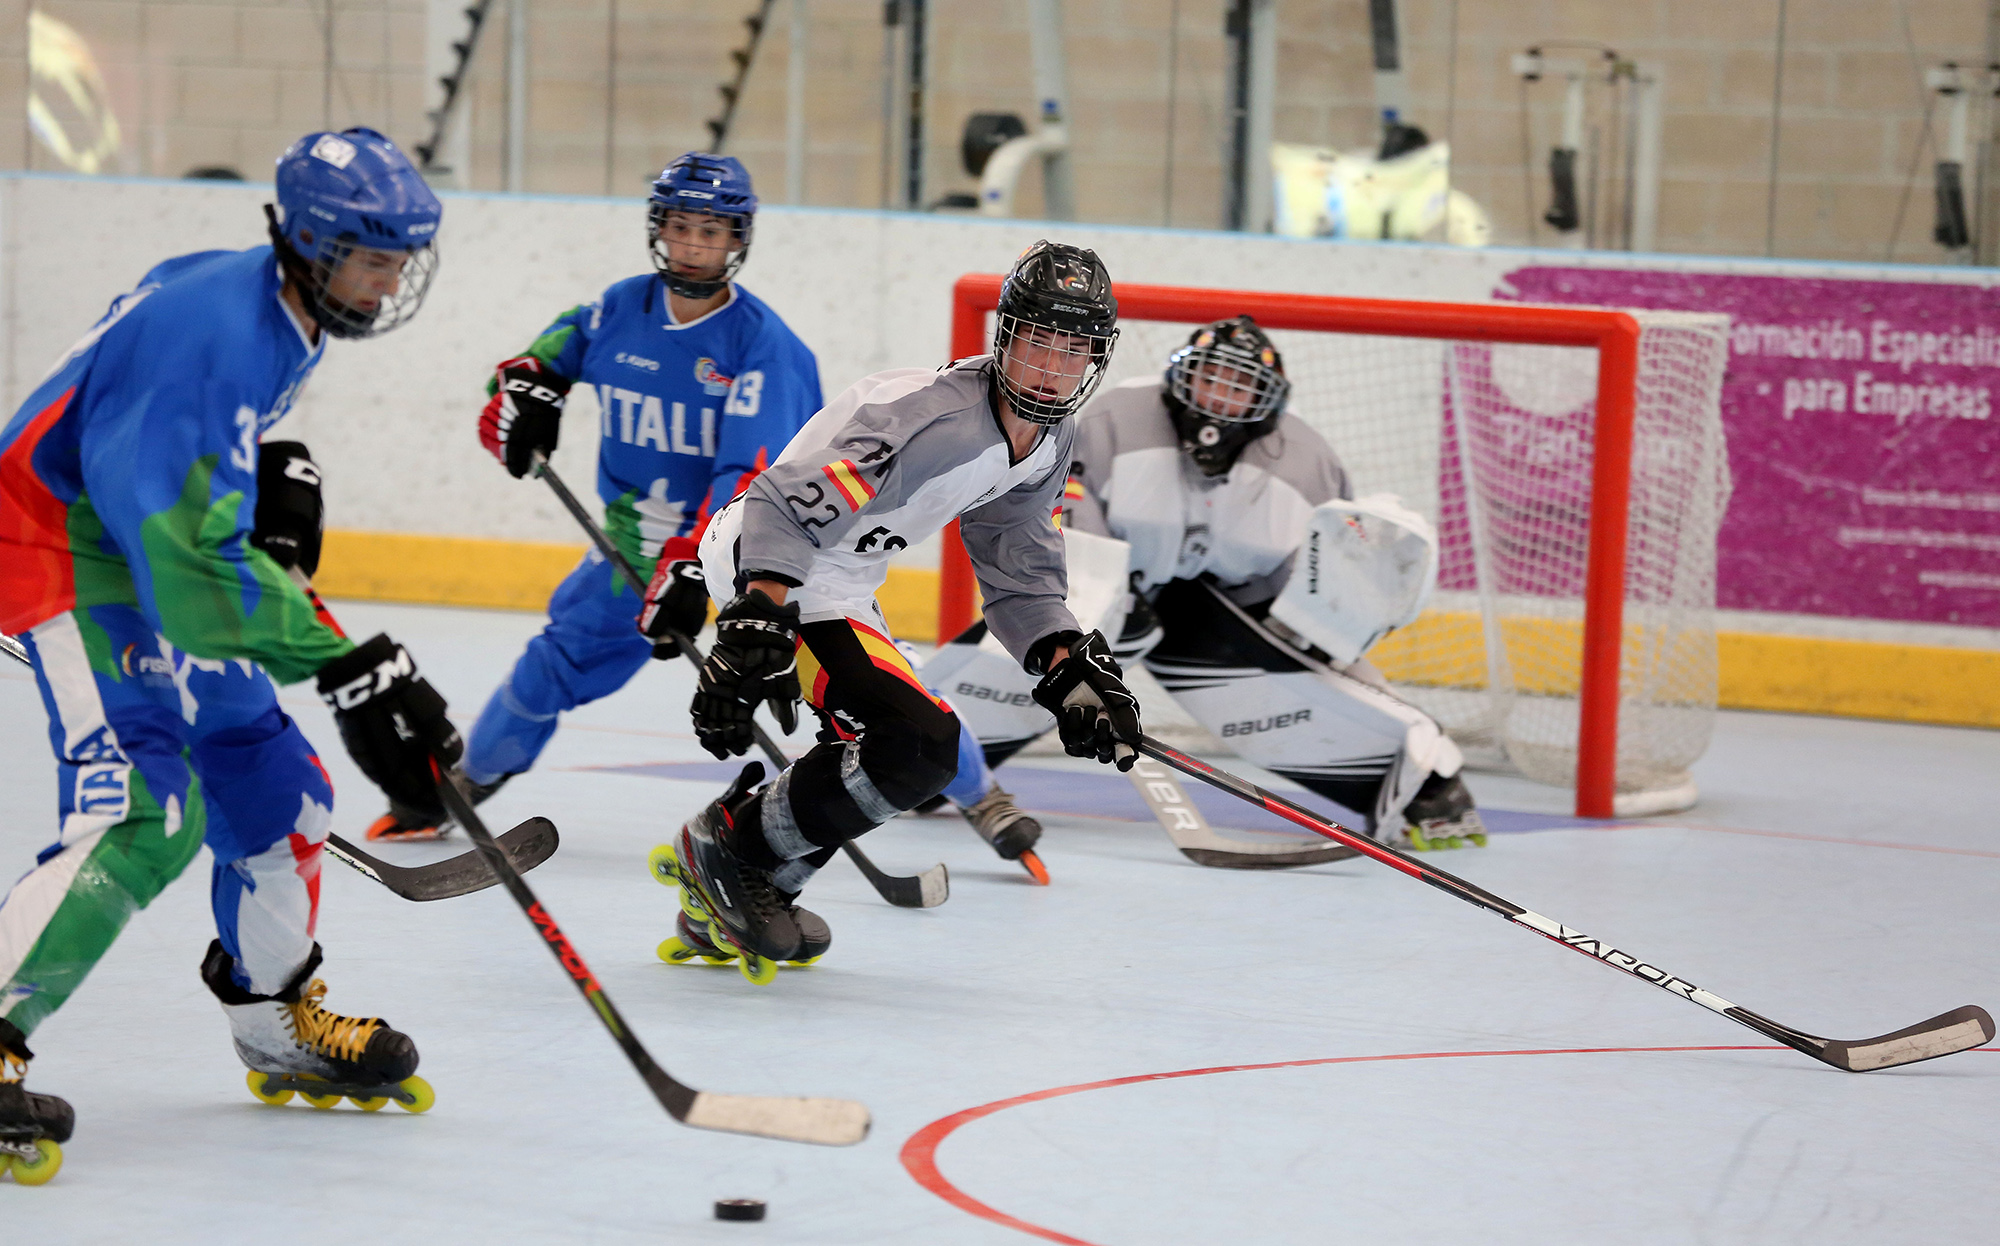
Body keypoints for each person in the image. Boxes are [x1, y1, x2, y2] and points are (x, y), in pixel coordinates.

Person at [0, 128, 461, 1182]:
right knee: (149, 806)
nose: (390, 284)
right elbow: (182, 559)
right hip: (54, 552)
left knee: (278, 789)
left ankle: (273, 1017)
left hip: (128, 540)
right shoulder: (218, 332)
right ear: (308, 240)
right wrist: (350, 664)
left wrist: (274, 479)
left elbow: (187, 462)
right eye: (373, 258)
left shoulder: (278, 305)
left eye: (401, 261)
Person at [650, 240, 1144, 983]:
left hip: (840, 580)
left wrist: (1069, 668)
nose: (1049, 366)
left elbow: (1020, 577)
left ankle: (741, 888)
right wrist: (760, 614)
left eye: (1072, 350)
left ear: (1095, 360)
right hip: (773, 558)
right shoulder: (927, 419)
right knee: (919, 742)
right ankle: (731, 847)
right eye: (1037, 341)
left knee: (902, 750)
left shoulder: (1046, 443)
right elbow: (785, 504)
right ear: (1004, 335)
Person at [368, 153, 821, 840]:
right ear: (658, 228)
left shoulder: (765, 347)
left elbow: (749, 482)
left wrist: (696, 565)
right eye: (681, 226)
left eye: (714, 230)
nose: (695, 245)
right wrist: (524, 399)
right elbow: (532, 368)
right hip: (639, 549)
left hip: (766, 550)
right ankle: (461, 786)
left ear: (738, 239)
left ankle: (974, 792)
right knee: (548, 665)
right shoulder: (617, 308)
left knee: (843, 670)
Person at [1053, 315, 1486, 850]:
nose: (1219, 397)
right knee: (1051, 645)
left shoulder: (1307, 466)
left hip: (1222, 612)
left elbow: (1318, 612)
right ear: (1182, 378)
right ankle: (947, 760)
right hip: (1107, 596)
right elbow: (1062, 515)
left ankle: (1429, 788)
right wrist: (1093, 600)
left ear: (1269, 402)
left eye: (1240, 386)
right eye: (1211, 377)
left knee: (1310, 661)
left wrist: (1337, 655)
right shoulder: (1115, 418)